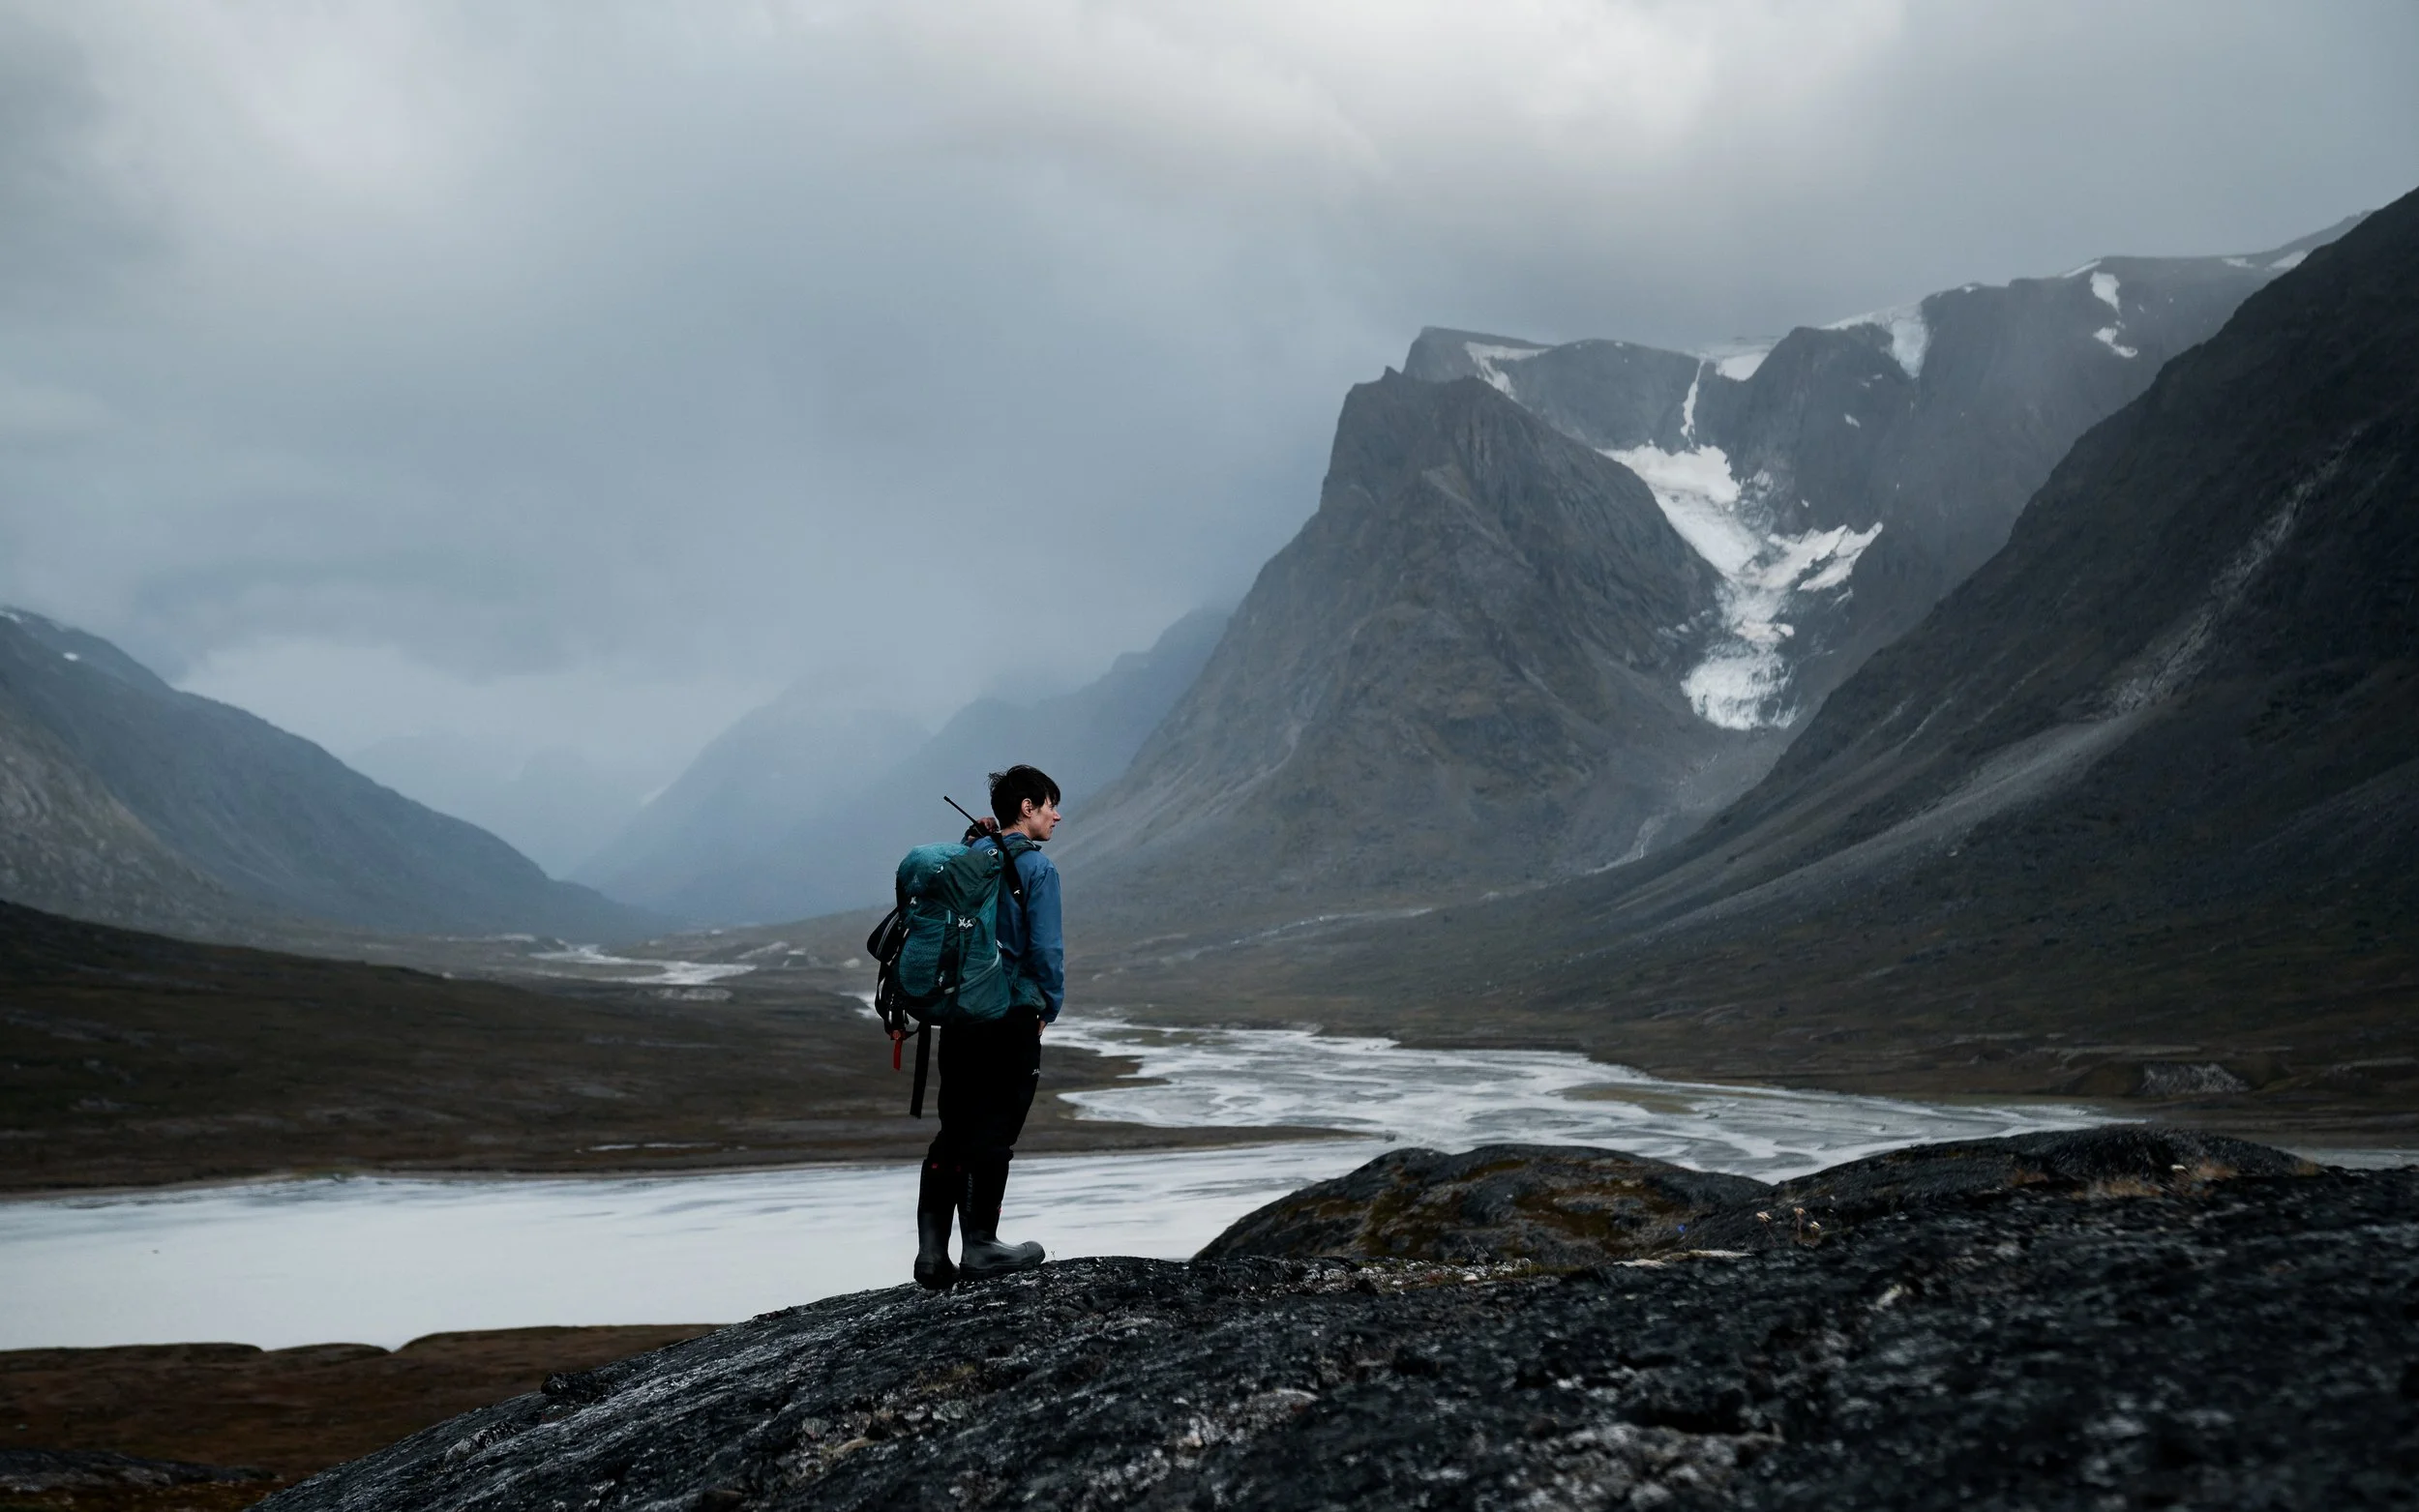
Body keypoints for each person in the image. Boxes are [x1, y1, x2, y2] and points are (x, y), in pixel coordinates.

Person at [913, 763, 1065, 1289]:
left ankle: (932, 1257)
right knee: (995, 1131)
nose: (1056, 815)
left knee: (955, 1129)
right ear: (1027, 808)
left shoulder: (969, 858)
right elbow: (1045, 949)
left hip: (960, 1016)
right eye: (1049, 805)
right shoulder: (1037, 870)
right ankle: (980, 1246)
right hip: (1011, 1016)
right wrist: (1050, 1004)